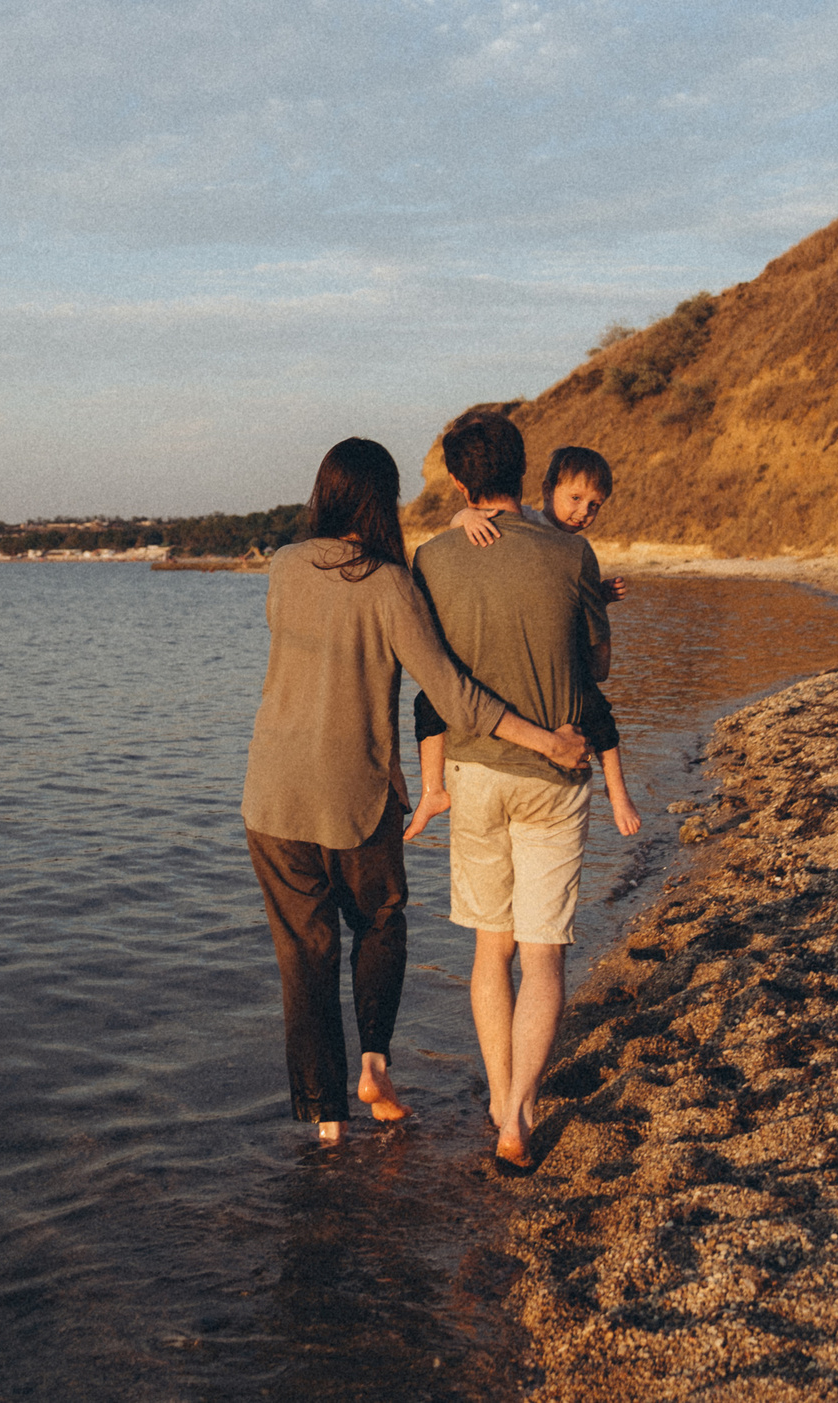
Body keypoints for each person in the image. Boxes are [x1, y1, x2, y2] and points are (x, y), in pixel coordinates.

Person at [241, 438, 588, 1145]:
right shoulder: (390, 584)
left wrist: (455, 526)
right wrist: (547, 741)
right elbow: (455, 697)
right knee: (380, 921)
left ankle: (327, 1125)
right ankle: (374, 1064)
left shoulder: (282, 566)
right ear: (383, 500)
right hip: (356, 796)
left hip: (271, 797)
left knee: (303, 958)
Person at [409, 414, 614, 1171]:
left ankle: (499, 1096)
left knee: (489, 949)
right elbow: (597, 667)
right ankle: (520, 1117)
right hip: (554, 774)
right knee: (544, 954)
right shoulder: (572, 552)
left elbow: (430, 674)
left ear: (457, 482)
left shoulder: (433, 557)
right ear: (528, 473)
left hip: (472, 772)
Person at [407, 442, 643, 843]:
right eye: (575, 499)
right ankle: (432, 789)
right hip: (542, 671)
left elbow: (567, 608)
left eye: (594, 506)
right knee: (430, 700)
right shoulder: (532, 522)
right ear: (546, 489)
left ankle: (617, 792)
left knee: (600, 716)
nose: (583, 512)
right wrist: (466, 516)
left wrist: (599, 598)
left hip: (552, 660)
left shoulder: (574, 551)